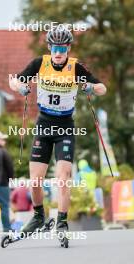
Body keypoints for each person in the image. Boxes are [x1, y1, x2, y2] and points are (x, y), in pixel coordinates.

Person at [9, 24, 107, 236]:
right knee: (35, 180)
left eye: (63, 49)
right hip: (44, 125)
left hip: (65, 127)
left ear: (68, 49)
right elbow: (13, 81)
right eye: (55, 48)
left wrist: (91, 87)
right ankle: (38, 217)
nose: (59, 53)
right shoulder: (39, 63)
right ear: (50, 48)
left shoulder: (75, 67)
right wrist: (21, 87)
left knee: (64, 176)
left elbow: (102, 88)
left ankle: (61, 222)